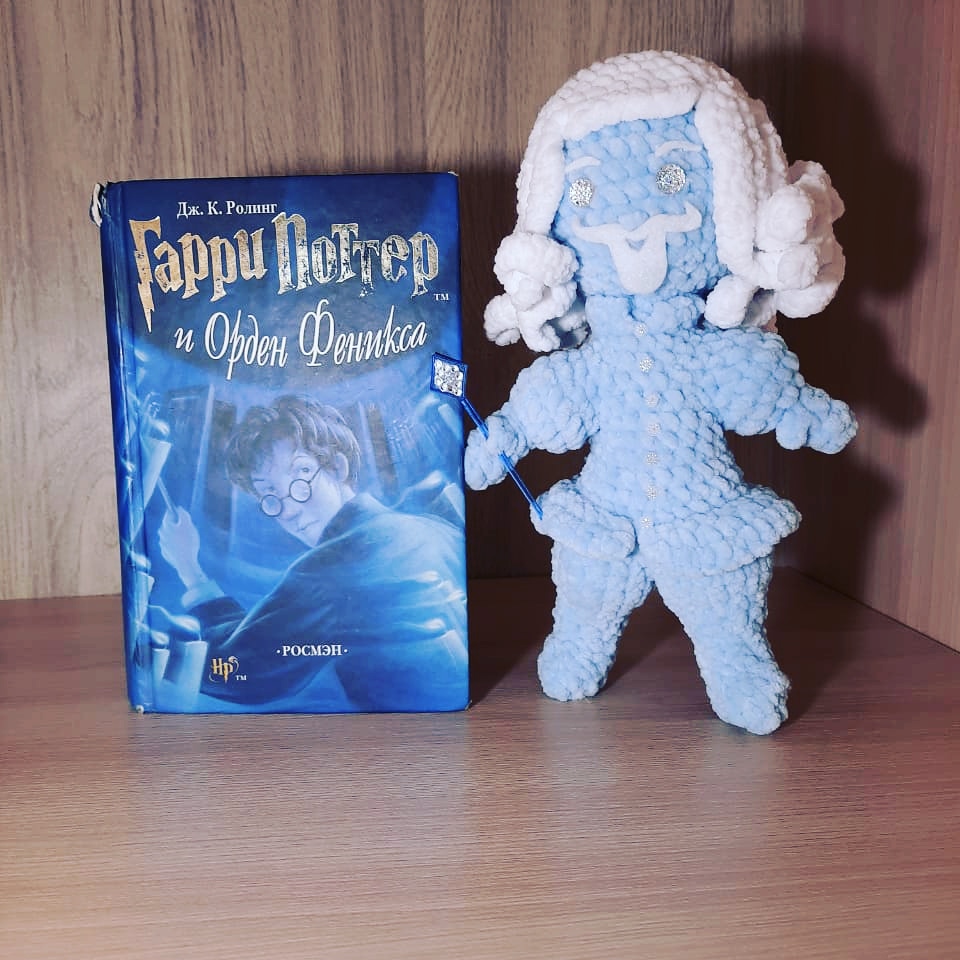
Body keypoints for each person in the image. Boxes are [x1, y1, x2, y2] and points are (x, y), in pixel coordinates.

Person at [159, 396, 467, 712]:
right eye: (269, 494)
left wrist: (189, 570)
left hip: (398, 730)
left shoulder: (334, 567)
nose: (289, 510)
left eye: (300, 475)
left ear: (338, 467)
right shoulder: (431, 528)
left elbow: (243, 669)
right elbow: (268, 641)